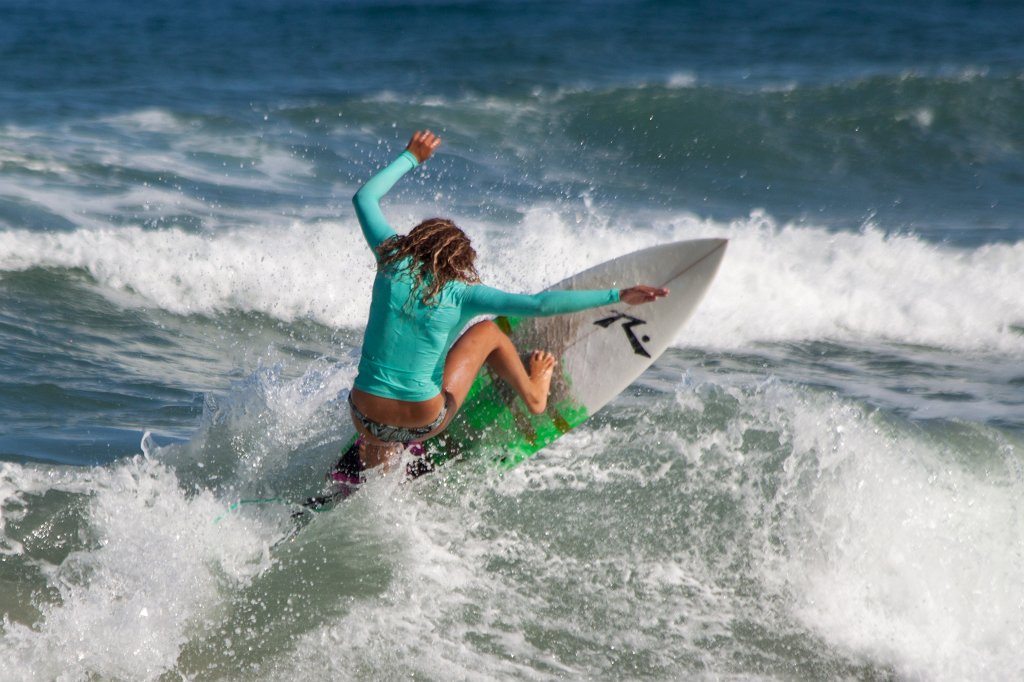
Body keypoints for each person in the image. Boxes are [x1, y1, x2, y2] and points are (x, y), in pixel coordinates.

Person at [348, 130, 668, 471]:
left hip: (365, 417)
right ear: (460, 263)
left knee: (383, 415)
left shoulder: (391, 257)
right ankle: (534, 396)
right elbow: (539, 306)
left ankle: (378, 461)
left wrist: (412, 155)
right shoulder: (463, 293)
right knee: (487, 331)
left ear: (416, 240)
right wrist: (617, 294)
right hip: (425, 420)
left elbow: (364, 198)